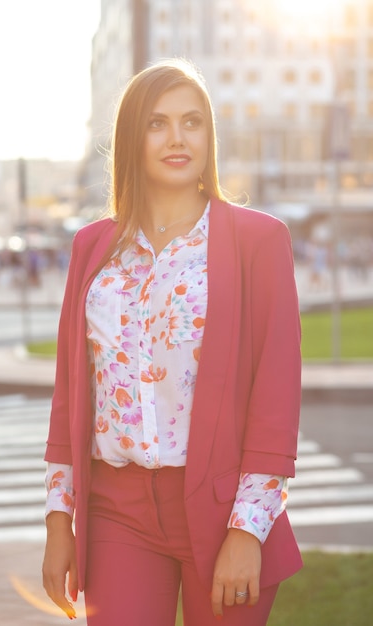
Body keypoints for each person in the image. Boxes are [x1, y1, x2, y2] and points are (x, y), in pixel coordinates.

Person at [42, 58, 302, 626]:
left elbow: (275, 395)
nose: (178, 137)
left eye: (193, 121)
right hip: (116, 512)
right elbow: (71, 393)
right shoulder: (92, 249)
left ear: (210, 135)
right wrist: (60, 521)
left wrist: (247, 530)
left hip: (223, 507)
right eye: (158, 123)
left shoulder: (258, 240)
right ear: (132, 138)